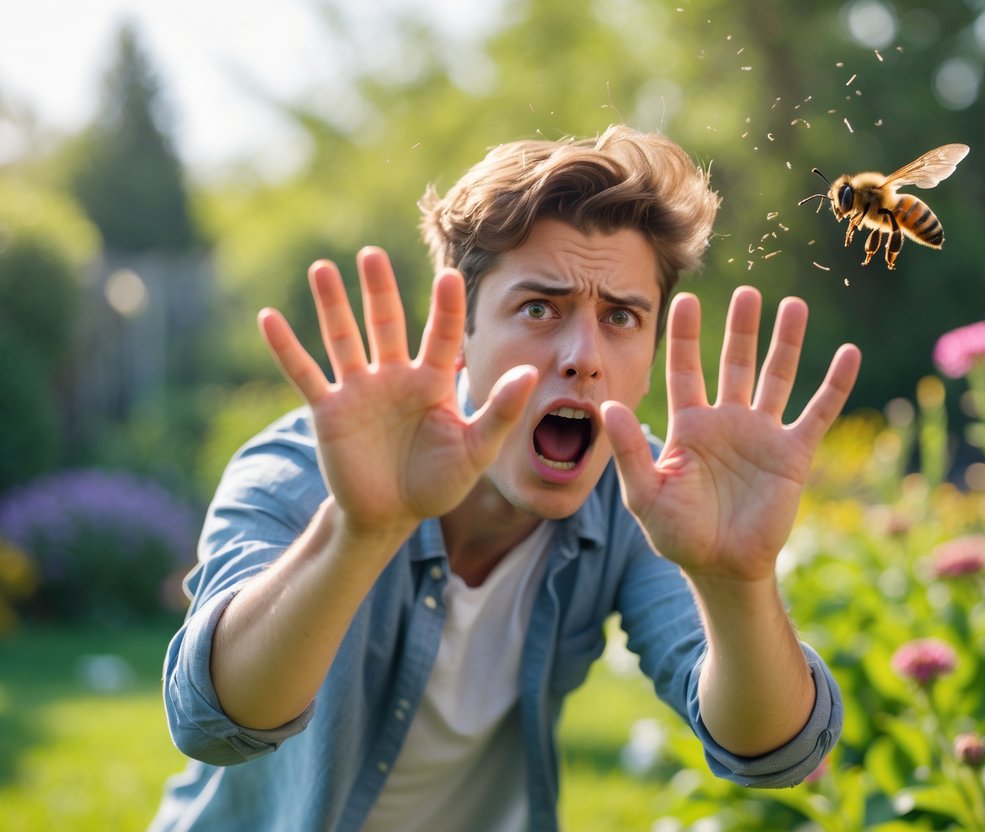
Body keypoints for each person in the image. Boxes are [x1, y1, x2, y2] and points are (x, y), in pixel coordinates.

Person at [152, 124, 862, 831]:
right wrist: (358, 531)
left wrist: (735, 582)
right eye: (537, 308)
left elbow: (773, 752)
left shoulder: (644, 494)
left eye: (620, 316)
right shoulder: (308, 470)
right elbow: (211, 722)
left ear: (647, 355)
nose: (583, 356)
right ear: (458, 330)